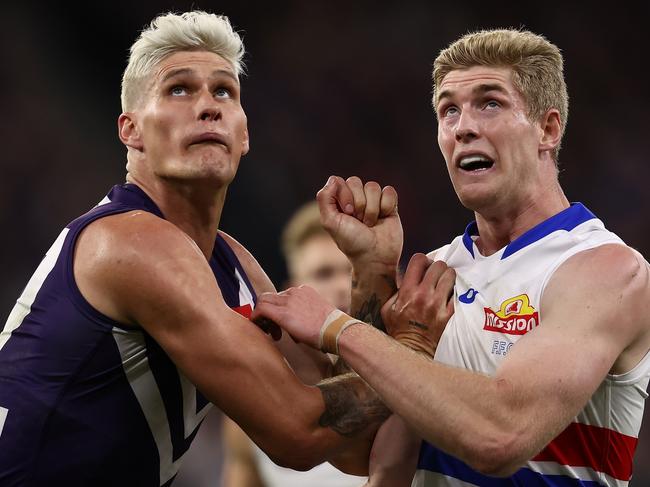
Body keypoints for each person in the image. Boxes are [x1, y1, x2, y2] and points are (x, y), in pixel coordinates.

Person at [0, 11, 439, 486]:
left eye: (224, 91)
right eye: (179, 89)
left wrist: (370, 270)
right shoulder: (129, 244)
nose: (207, 106)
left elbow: (354, 445)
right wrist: (411, 348)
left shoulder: (232, 265)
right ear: (130, 131)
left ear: (244, 134)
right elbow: (299, 432)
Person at [252, 28, 650, 486]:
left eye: (490, 103)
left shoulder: (604, 269)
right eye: (449, 110)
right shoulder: (436, 272)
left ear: (548, 128)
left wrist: (339, 329)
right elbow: (357, 449)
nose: (463, 127)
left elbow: (499, 437)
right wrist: (373, 271)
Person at [222, 200, 366, 487]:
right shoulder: (256, 403)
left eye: (352, 273)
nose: (341, 286)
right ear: (293, 288)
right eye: (323, 273)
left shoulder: (402, 384)